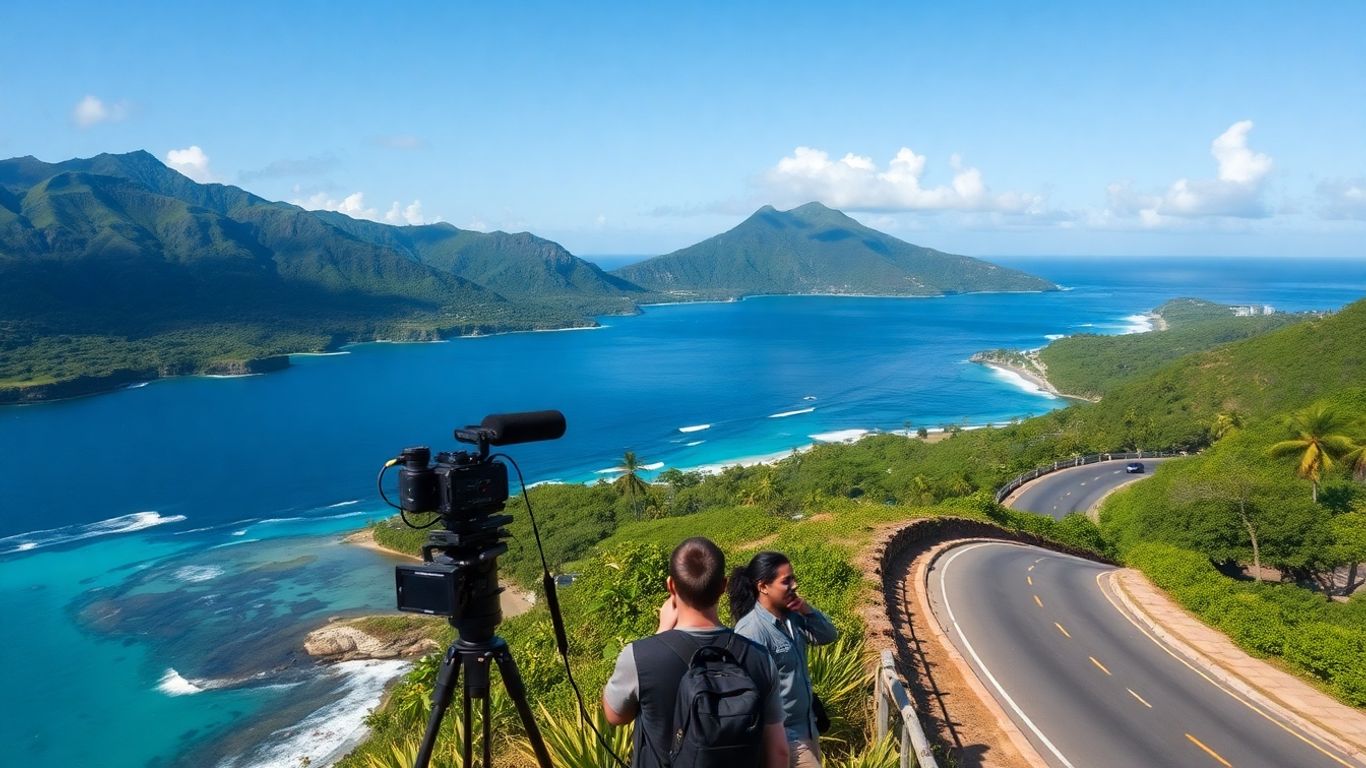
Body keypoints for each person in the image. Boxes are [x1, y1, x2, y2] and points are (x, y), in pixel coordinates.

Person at [603, 536, 789, 768]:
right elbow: (779, 752)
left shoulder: (640, 656)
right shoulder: (760, 657)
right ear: (723, 586)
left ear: (671, 586)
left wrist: (660, 633)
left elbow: (615, 716)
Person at [731, 551, 839, 768]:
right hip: (784, 738)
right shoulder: (751, 631)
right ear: (763, 587)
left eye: (793, 578)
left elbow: (829, 635)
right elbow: (748, 696)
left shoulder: (793, 617)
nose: (794, 585)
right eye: (786, 581)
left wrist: (806, 609)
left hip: (808, 728)